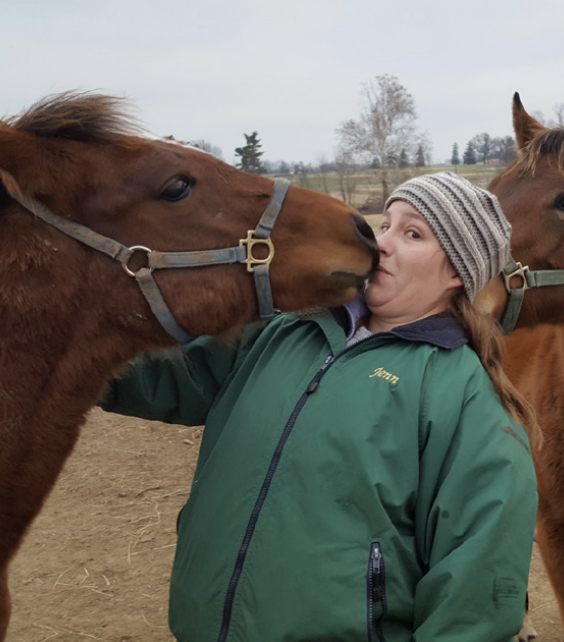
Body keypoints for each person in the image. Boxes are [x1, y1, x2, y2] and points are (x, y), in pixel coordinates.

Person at [100, 171, 539, 642]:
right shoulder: (285, 329)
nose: (382, 242)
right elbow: (164, 376)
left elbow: (477, 589)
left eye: (413, 234)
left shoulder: (462, 395)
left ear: (456, 272)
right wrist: (67, 348)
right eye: (386, 225)